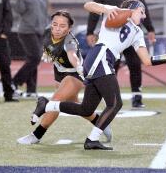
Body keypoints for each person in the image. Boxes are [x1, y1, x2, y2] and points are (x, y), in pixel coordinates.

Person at [32, 0, 166, 150]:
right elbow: (88, 5)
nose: (144, 16)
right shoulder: (114, 11)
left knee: (86, 109)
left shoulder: (138, 32)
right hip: (101, 57)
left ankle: (47, 105)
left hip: (104, 61)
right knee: (115, 103)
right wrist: (108, 9)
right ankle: (92, 140)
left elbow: (146, 60)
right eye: (142, 11)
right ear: (134, 8)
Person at [16, 10, 112, 144]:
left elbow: (72, 56)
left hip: (74, 74)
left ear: (69, 28)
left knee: (55, 102)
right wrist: (47, 55)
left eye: (62, 26)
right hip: (59, 73)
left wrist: (79, 67)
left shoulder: (69, 40)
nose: (57, 29)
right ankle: (100, 122)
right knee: (77, 106)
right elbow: (49, 47)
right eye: (55, 24)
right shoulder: (47, 33)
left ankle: (36, 135)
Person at [86, 0, 156, 108]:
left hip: (130, 36)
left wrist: (150, 29)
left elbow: (144, 10)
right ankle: (110, 97)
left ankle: (137, 96)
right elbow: (93, 13)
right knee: (111, 66)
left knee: (135, 65)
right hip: (112, 36)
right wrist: (90, 31)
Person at [12, 0, 49, 98]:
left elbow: (45, 14)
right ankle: (14, 82)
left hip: (40, 31)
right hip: (26, 30)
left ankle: (31, 90)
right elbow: (19, 10)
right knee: (35, 57)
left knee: (33, 59)